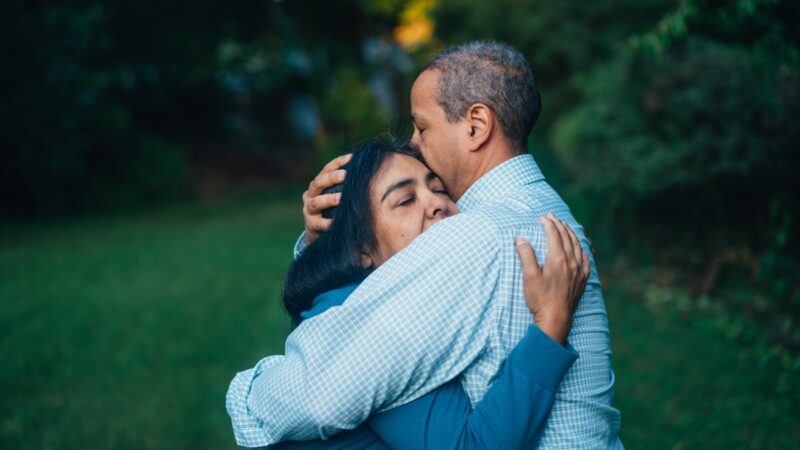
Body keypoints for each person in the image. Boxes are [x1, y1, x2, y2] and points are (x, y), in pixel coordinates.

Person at [227, 40, 622, 448]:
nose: (415, 143)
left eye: (422, 126)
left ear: (476, 125)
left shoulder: (475, 235)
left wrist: (247, 394)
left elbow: (316, 394)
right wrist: (326, 241)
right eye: (405, 198)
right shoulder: (544, 213)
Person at [263, 136, 589, 449]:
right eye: (406, 200)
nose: (437, 204)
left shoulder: (377, 294)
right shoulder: (379, 327)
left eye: (438, 188)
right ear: (361, 250)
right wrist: (551, 324)